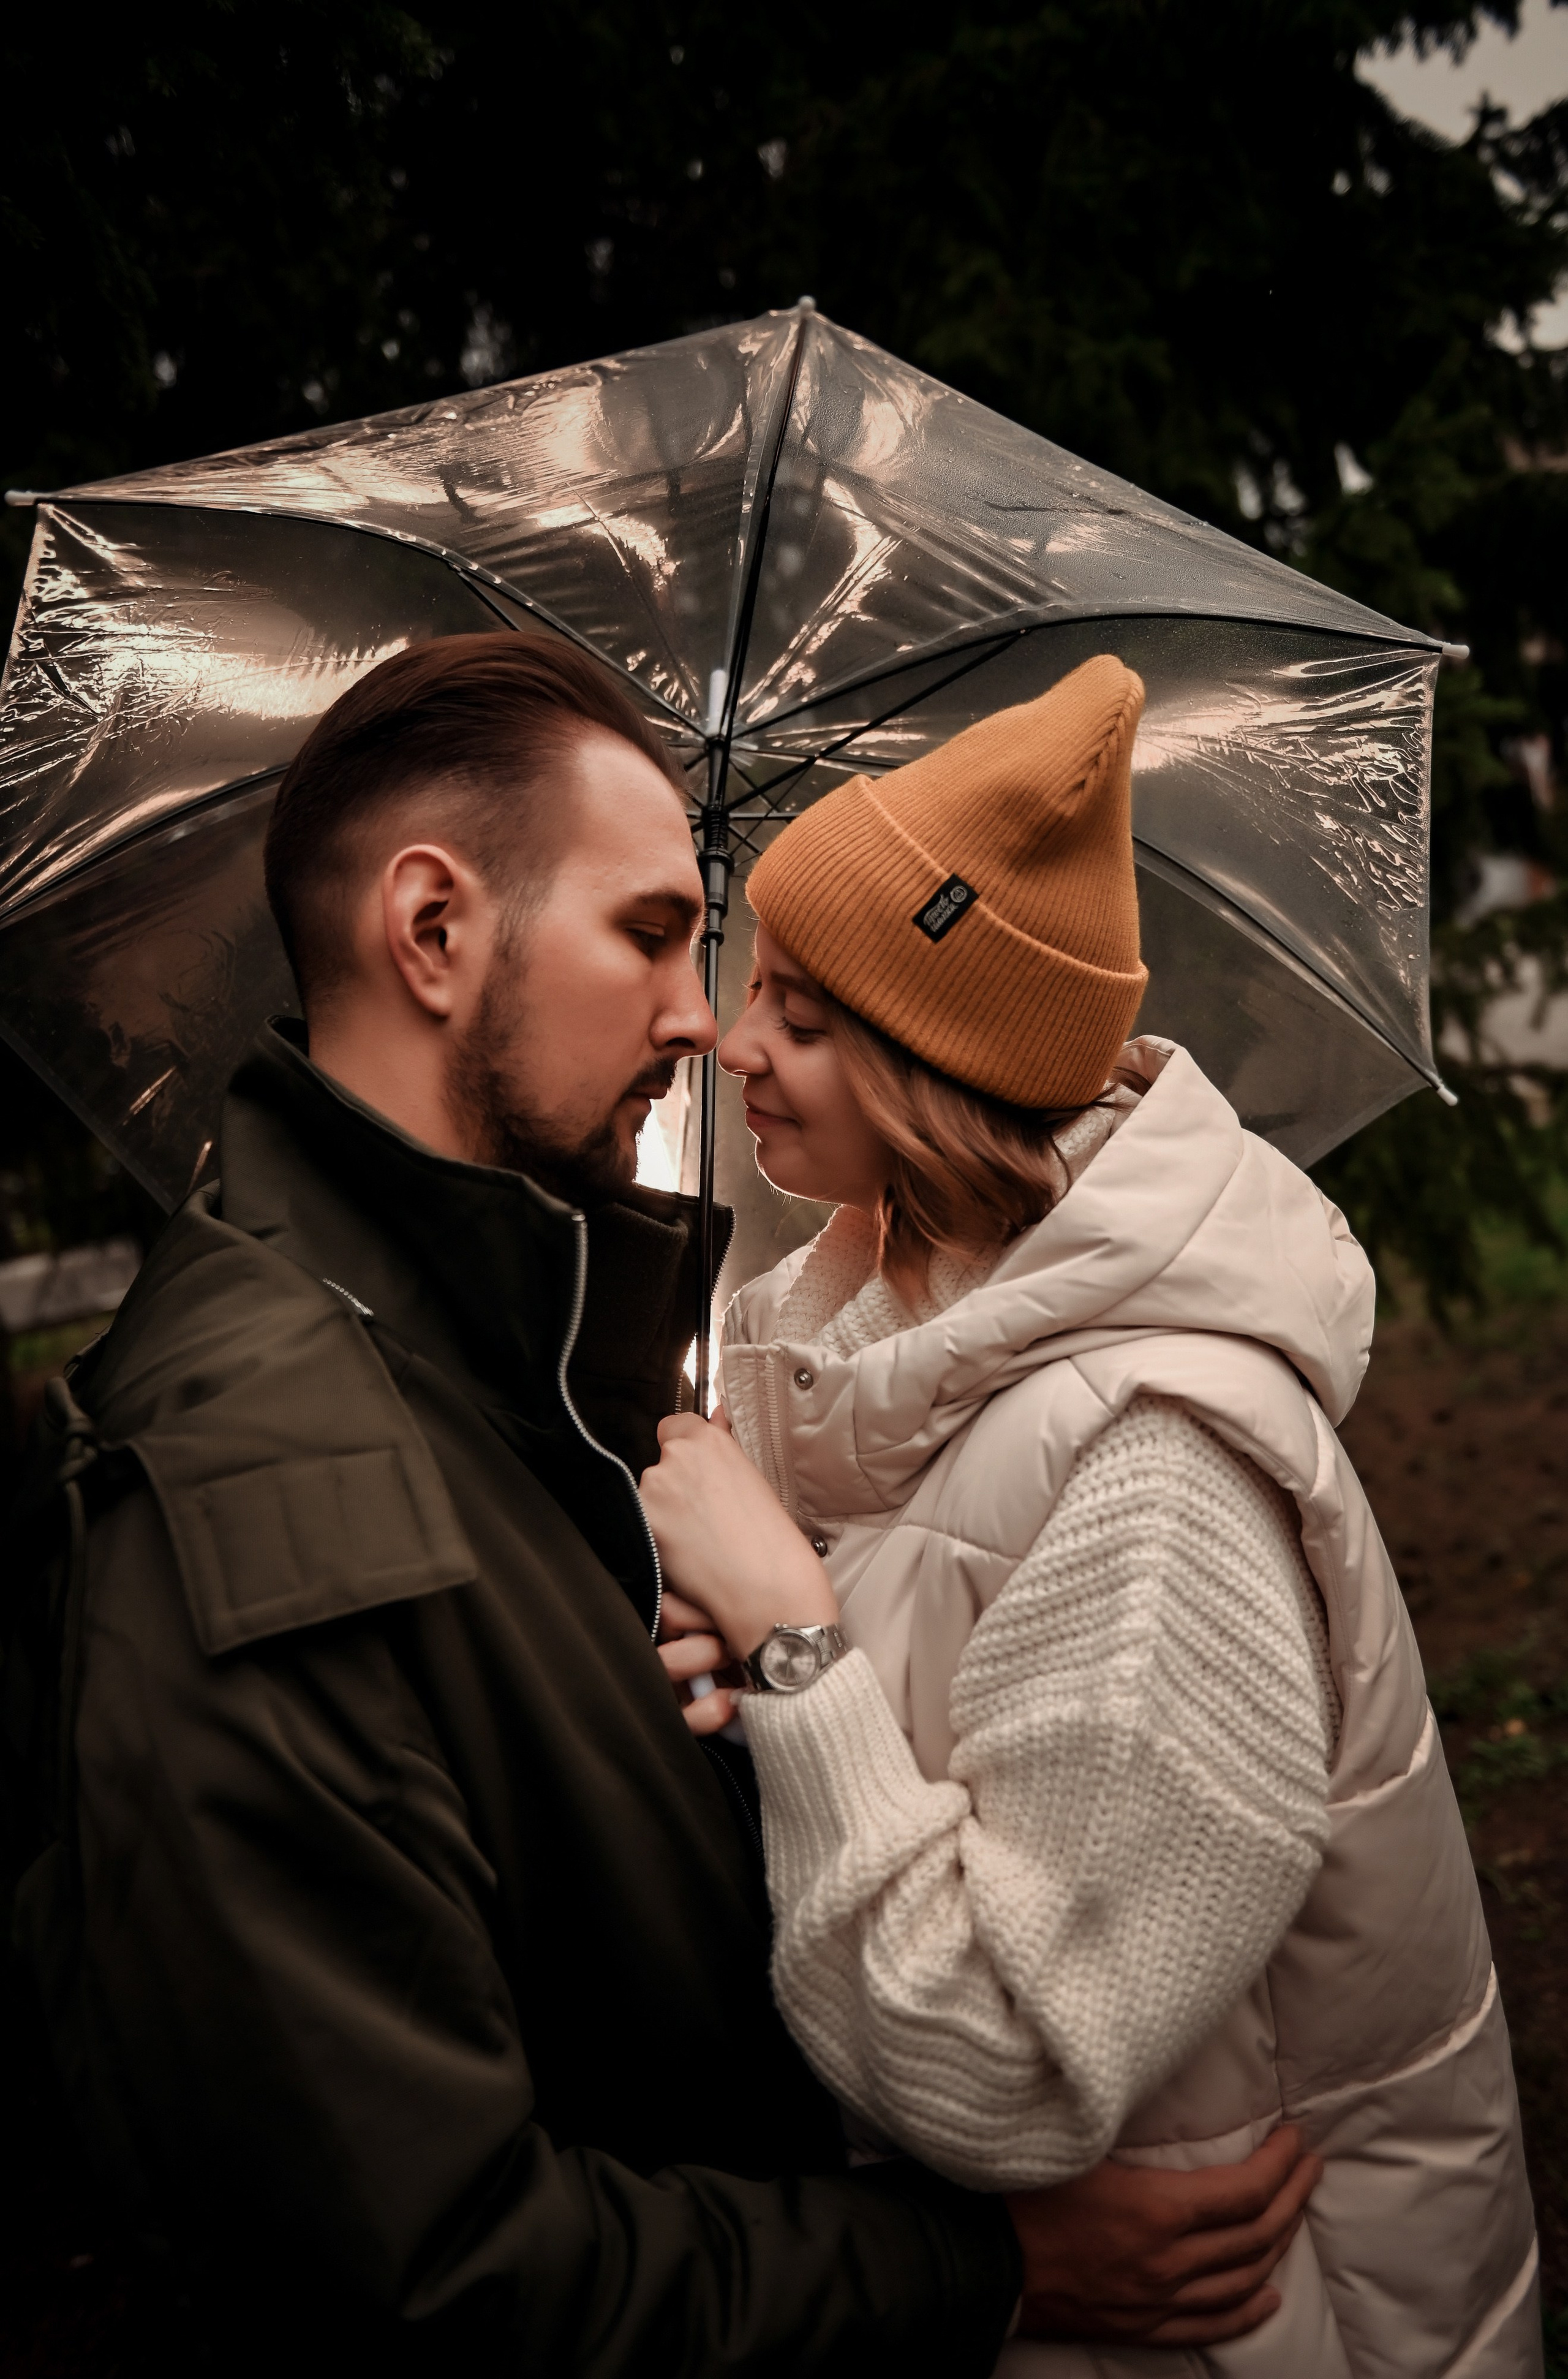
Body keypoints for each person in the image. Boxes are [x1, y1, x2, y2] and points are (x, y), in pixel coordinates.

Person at [11, 632, 1319, 2375]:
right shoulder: (259, 1490)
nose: (708, 1020)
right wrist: (982, 2272)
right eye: (651, 933)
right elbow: (433, 2281)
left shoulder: (501, 1365)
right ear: (430, 930)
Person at [641, 654, 1544, 2378]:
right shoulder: (849, 1347)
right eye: (756, 985)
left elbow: (1009, 2057)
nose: (734, 1040)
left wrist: (792, 1641)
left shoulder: (1162, 1474)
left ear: (942, 1067)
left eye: (809, 1019)